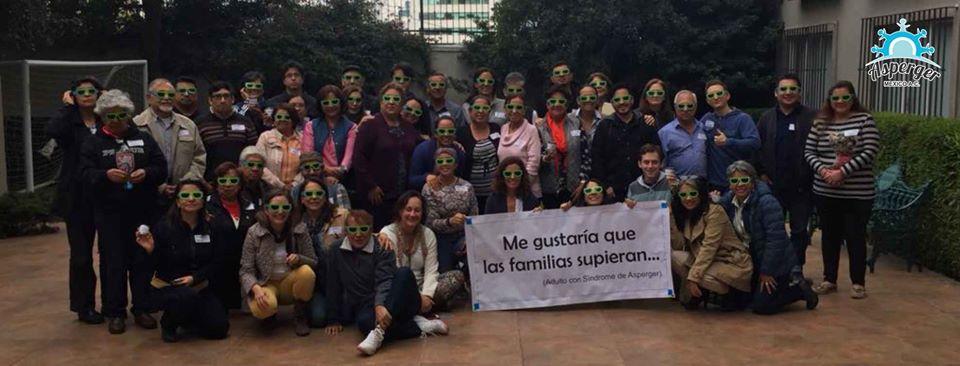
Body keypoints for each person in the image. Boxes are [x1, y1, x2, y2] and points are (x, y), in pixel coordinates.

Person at [80, 89, 168, 334]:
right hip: (110, 214)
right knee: (114, 263)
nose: (116, 120)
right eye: (110, 116)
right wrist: (104, 176)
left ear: (128, 115)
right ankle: (115, 312)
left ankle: (141, 308)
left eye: (121, 115)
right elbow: (84, 175)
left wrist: (147, 173)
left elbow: (161, 166)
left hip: (142, 211)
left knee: (142, 260)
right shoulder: (93, 142)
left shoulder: (144, 138)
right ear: (103, 117)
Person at [325, 210, 448, 356]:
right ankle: (418, 326)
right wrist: (333, 318)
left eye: (363, 229)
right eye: (352, 229)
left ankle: (379, 332)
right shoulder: (335, 250)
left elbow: (384, 280)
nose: (358, 234)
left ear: (371, 230)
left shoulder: (383, 246)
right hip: (364, 304)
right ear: (346, 231)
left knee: (403, 273)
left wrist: (380, 305)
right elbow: (333, 283)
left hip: (394, 297)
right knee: (364, 324)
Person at [804, 80, 880, 299]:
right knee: (829, 237)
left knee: (856, 237)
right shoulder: (821, 122)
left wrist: (843, 172)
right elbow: (809, 151)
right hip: (826, 191)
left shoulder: (864, 119)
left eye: (845, 97)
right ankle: (829, 279)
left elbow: (870, 150)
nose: (840, 102)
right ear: (829, 100)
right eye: (835, 98)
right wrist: (824, 172)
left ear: (853, 98)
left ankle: (858, 283)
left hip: (858, 193)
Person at [135, 180, 230, 342]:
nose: (191, 199)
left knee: (219, 329)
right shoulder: (164, 227)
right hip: (168, 287)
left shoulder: (211, 227)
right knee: (185, 297)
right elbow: (150, 266)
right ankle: (169, 323)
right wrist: (150, 250)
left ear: (202, 201)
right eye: (185, 195)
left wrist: (195, 278)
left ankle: (187, 318)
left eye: (196, 195)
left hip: (198, 286)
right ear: (178, 201)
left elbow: (217, 262)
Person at [719, 161, 819, 314]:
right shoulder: (728, 202)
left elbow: (776, 240)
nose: (739, 184)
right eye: (734, 181)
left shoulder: (767, 202)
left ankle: (799, 290)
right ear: (729, 184)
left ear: (753, 181)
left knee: (762, 307)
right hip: (750, 260)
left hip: (775, 262)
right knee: (737, 302)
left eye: (744, 180)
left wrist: (767, 271)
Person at [46, 76, 104, 324]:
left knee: (112, 253)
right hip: (76, 197)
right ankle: (85, 306)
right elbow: (52, 131)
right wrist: (67, 106)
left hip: (105, 195)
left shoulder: (107, 118)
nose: (87, 95)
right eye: (82, 91)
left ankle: (114, 304)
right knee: (81, 256)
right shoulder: (68, 121)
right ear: (74, 95)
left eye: (93, 91)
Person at [756, 74, 817, 267]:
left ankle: (796, 271)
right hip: (773, 187)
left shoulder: (812, 117)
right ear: (776, 93)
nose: (788, 93)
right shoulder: (766, 118)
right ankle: (777, 270)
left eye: (792, 89)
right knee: (773, 231)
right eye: (783, 89)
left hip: (802, 187)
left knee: (800, 232)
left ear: (799, 92)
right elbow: (757, 147)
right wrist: (761, 173)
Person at [240, 191, 317, 336]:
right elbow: (246, 269)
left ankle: (300, 315)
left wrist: (299, 258)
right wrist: (255, 288)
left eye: (285, 208)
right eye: (275, 208)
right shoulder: (254, 232)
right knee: (263, 308)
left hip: (290, 281)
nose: (280, 212)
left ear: (290, 209)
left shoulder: (299, 228)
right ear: (266, 209)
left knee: (306, 272)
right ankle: (269, 315)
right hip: (266, 283)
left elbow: (313, 261)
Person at [669, 177, 752, 310]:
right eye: (683, 195)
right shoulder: (686, 214)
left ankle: (729, 293)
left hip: (730, 262)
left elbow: (709, 247)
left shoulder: (715, 212)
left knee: (699, 275)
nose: (688, 198)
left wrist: (693, 278)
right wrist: (671, 217)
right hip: (706, 262)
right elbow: (678, 245)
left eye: (693, 193)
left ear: (701, 194)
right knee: (673, 255)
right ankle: (704, 291)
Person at [353, 82, 424, 230]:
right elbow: (359, 159)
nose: (391, 102)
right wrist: (370, 186)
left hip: (402, 195)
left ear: (402, 104)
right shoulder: (370, 125)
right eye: (387, 98)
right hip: (377, 195)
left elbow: (422, 146)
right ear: (381, 101)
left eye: (396, 99)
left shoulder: (408, 127)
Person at [133, 78, 206, 218]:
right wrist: (159, 186)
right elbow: (133, 161)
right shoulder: (136, 125)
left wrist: (185, 183)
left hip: (183, 197)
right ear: (149, 98)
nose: (166, 98)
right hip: (147, 195)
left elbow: (199, 157)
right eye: (161, 94)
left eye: (170, 95)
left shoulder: (189, 125)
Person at [380, 191, 466, 310]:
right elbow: (394, 273)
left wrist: (426, 295)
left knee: (456, 276)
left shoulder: (428, 234)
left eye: (417, 210)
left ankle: (419, 309)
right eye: (408, 209)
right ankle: (422, 310)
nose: (412, 214)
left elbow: (431, 270)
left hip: (423, 287)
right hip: (398, 289)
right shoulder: (388, 233)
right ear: (400, 211)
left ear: (422, 213)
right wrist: (418, 299)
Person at [294, 178, 349, 328]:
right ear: (302, 199)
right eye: (309, 194)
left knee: (347, 316)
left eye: (319, 193)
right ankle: (303, 308)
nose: (314, 197)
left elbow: (362, 231)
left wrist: (382, 234)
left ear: (325, 197)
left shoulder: (342, 215)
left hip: (338, 278)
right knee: (319, 319)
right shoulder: (294, 220)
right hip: (312, 281)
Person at [591, 84, 661, 201]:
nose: (622, 102)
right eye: (617, 100)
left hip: (643, 187)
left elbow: (658, 152)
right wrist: (605, 186)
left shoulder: (645, 123)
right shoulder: (604, 126)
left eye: (625, 98)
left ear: (632, 100)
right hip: (613, 190)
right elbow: (597, 158)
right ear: (612, 103)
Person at [206, 162, 257, 310]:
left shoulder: (249, 204)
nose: (228, 185)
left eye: (233, 181)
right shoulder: (206, 205)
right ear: (216, 183)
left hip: (244, 263)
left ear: (240, 184)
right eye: (223, 181)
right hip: (216, 266)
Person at [421, 148, 479, 274]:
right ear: (436, 164)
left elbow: (474, 217)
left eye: (449, 160)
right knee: (446, 274)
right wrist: (450, 222)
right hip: (440, 238)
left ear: (456, 164)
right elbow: (430, 223)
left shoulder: (467, 186)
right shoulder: (429, 188)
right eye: (440, 161)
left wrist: (468, 240)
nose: (445, 163)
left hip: (464, 236)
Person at [700, 79, 760, 193]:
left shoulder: (742, 118)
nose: (716, 97)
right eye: (711, 95)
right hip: (714, 183)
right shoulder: (706, 119)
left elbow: (755, 143)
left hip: (739, 182)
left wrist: (728, 141)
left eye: (719, 93)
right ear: (707, 101)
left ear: (727, 96)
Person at [197, 81, 259, 181]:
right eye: (218, 97)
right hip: (210, 181)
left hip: (241, 181)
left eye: (226, 96)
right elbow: (195, 155)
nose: (222, 100)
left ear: (233, 99)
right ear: (210, 100)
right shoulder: (200, 123)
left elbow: (253, 152)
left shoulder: (246, 122)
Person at [302, 85, 357, 187]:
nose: (331, 106)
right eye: (326, 103)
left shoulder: (351, 127)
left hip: (344, 179)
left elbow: (349, 156)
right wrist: (325, 170)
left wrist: (340, 171)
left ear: (341, 103)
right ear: (320, 105)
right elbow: (308, 154)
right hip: (315, 177)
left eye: (334, 102)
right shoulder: (311, 126)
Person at [537, 85, 581, 208]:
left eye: (561, 101)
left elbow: (585, 152)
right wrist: (545, 158)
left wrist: (583, 180)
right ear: (547, 105)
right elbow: (535, 156)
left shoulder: (577, 122)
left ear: (567, 105)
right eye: (552, 102)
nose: (557, 104)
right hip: (548, 186)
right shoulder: (539, 127)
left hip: (574, 185)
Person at [457, 95, 501, 212]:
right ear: (470, 111)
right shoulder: (461, 133)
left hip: (495, 191)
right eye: (477, 108)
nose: (480, 111)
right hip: (471, 192)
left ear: (489, 111)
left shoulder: (496, 129)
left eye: (485, 108)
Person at [497, 94, 543, 199]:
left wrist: (520, 187)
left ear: (524, 111)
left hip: (527, 190)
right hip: (506, 189)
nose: (514, 110)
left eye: (518, 107)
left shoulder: (531, 130)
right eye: (510, 107)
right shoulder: (503, 128)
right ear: (505, 109)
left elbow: (534, 163)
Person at [409, 116, 468, 190]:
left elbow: (462, 178)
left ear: (455, 133)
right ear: (436, 133)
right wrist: (426, 177)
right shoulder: (422, 150)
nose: (446, 134)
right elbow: (412, 180)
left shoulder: (459, 153)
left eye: (450, 131)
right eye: (442, 131)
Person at [659, 90, 708, 178]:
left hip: (703, 184)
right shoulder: (665, 132)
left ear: (696, 107)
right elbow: (660, 162)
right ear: (675, 107)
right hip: (677, 185)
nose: (685, 109)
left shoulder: (704, 128)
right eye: (681, 106)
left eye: (690, 106)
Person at [256, 103, 303, 190]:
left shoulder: (303, 139)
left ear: (294, 120)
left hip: (296, 189)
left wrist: (294, 185)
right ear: (274, 120)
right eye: (279, 117)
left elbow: (305, 166)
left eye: (287, 117)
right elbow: (260, 165)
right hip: (269, 188)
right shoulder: (265, 137)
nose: (282, 120)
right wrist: (281, 186)